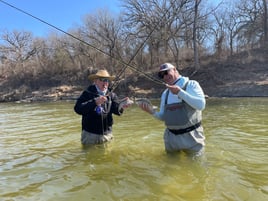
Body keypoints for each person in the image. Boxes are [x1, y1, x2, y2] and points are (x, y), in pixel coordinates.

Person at [139, 63, 206, 155]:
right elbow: (163, 117)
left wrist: (179, 92)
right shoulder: (165, 94)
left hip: (192, 136)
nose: (165, 76)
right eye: (161, 75)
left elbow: (201, 105)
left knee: (196, 167)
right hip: (171, 138)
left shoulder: (191, 84)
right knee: (170, 167)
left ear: (174, 69)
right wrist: (152, 112)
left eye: (166, 72)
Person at [74, 69, 132, 145]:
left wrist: (122, 106)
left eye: (107, 80)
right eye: (102, 80)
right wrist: (95, 102)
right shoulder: (87, 93)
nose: (105, 83)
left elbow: (116, 111)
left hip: (107, 135)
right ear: (95, 81)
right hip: (90, 135)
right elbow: (78, 109)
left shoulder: (112, 95)